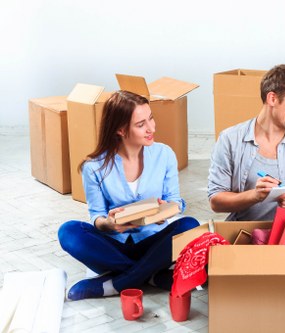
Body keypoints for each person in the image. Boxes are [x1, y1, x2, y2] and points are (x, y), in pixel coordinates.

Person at [58, 90, 199, 300]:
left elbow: (175, 201)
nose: (151, 128)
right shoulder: (94, 167)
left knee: (190, 226)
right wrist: (109, 224)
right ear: (121, 130)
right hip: (114, 247)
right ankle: (151, 276)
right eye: (141, 124)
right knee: (68, 231)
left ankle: (116, 283)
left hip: (152, 243)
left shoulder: (164, 154)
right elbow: (96, 216)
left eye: (150, 118)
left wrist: (164, 211)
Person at [208, 64, 285, 221]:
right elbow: (216, 202)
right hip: (245, 234)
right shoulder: (230, 139)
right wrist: (254, 195)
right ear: (272, 98)